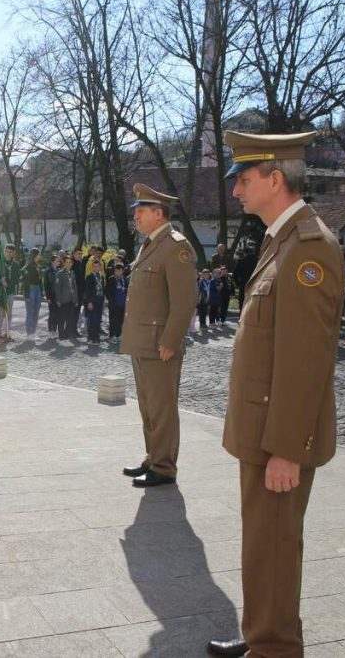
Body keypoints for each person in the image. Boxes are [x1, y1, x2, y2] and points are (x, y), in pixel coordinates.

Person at [208, 130, 344, 658]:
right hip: (261, 430)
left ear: (275, 179)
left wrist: (288, 447)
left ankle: (276, 648)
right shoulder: (280, 241)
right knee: (261, 546)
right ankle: (261, 631)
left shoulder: (309, 249)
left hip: (278, 439)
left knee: (276, 548)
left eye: (243, 180)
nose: (237, 191)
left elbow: (306, 360)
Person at [119, 183, 197, 489]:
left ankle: (164, 467)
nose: (136, 217)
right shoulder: (151, 244)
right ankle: (153, 457)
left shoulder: (176, 246)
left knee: (162, 406)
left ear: (159, 213)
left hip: (159, 345)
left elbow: (184, 301)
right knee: (148, 404)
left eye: (141, 211)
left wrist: (171, 341)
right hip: (142, 342)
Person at [0, 244, 21, 343]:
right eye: (6, 251)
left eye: (10, 252)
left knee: (9, 313)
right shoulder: (0, 263)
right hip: (1, 292)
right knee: (1, 314)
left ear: (13, 253)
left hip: (10, 292)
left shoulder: (16, 265)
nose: (8, 253)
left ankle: (7, 333)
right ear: (4, 252)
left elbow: (16, 278)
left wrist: (10, 283)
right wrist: (1, 281)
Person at [54, 255, 79, 340]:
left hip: (71, 299)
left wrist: (76, 299)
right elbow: (57, 288)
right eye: (67, 262)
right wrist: (58, 300)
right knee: (62, 318)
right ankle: (61, 334)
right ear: (64, 263)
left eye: (70, 262)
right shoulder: (60, 273)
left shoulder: (72, 273)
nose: (68, 264)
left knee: (70, 318)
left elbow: (74, 287)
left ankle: (67, 333)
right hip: (63, 299)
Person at [21, 248, 44, 337]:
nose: (40, 256)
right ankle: (29, 332)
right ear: (34, 255)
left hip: (37, 289)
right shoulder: (28, 266)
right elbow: (25, 280)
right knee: (30, 311)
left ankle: (33, 331)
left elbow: (40, 280)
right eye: (39, 254)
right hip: (30, 289)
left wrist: (41, 292)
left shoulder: (38, 266)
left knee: (36, 311)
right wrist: (26, 294)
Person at [83, 257, 106, 343]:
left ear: (100, 267)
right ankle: (90, 337)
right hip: (92, 301)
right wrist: (89, 302)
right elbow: (87, 291)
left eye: (98, 266)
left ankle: (96, 337)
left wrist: (104, 300)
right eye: (94, 266)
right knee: (92, 319)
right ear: (92, 267)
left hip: (100, 300)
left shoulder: (102, 277)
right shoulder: (89, 277)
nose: (96, 268)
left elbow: (103, 289)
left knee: (98, 319)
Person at [105, 261, 129, 343]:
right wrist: (110, 300)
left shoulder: (125, 279)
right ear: (114, 271)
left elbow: (127, 290)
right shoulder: (111, 279)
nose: (118, 272)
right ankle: (112, 335)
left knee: (120, 320)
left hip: (122, 303)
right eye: (116, 270)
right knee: (112, 320)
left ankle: (118, 335)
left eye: (120, 270)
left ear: (122, 271)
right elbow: (107, 291)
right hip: (113, 304)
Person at [44, 254, 61, 337]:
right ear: (52, 261)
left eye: (59, 260)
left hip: (58, 296)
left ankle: (55, 329)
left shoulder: (59, 270)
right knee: (52, 313)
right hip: (51, 296)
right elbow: (46, 285)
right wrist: (48, 297)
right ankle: (51, 330)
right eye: (57, 260)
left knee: (58, 313)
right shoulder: (48, 271)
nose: (59, 262)